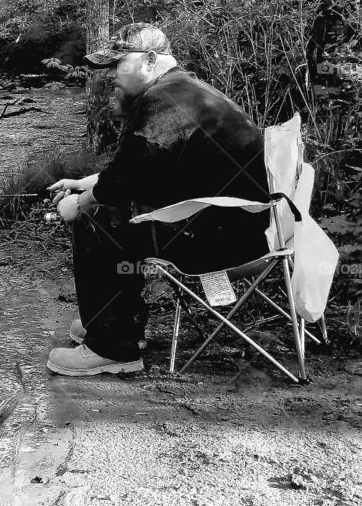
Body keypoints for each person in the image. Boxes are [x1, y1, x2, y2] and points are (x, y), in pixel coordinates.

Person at [46, 23, 270, 377]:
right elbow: (141, 167)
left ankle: (112, 348)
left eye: (118, 64)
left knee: (98, 221)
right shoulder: (184, 91)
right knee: (113, 211)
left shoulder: (162, 101)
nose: (111, 76)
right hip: (237, 229)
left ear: (150, 59)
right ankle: (116, 327)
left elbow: (123, 181)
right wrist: (83, 182)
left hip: (223, 241)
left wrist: (77, 203)